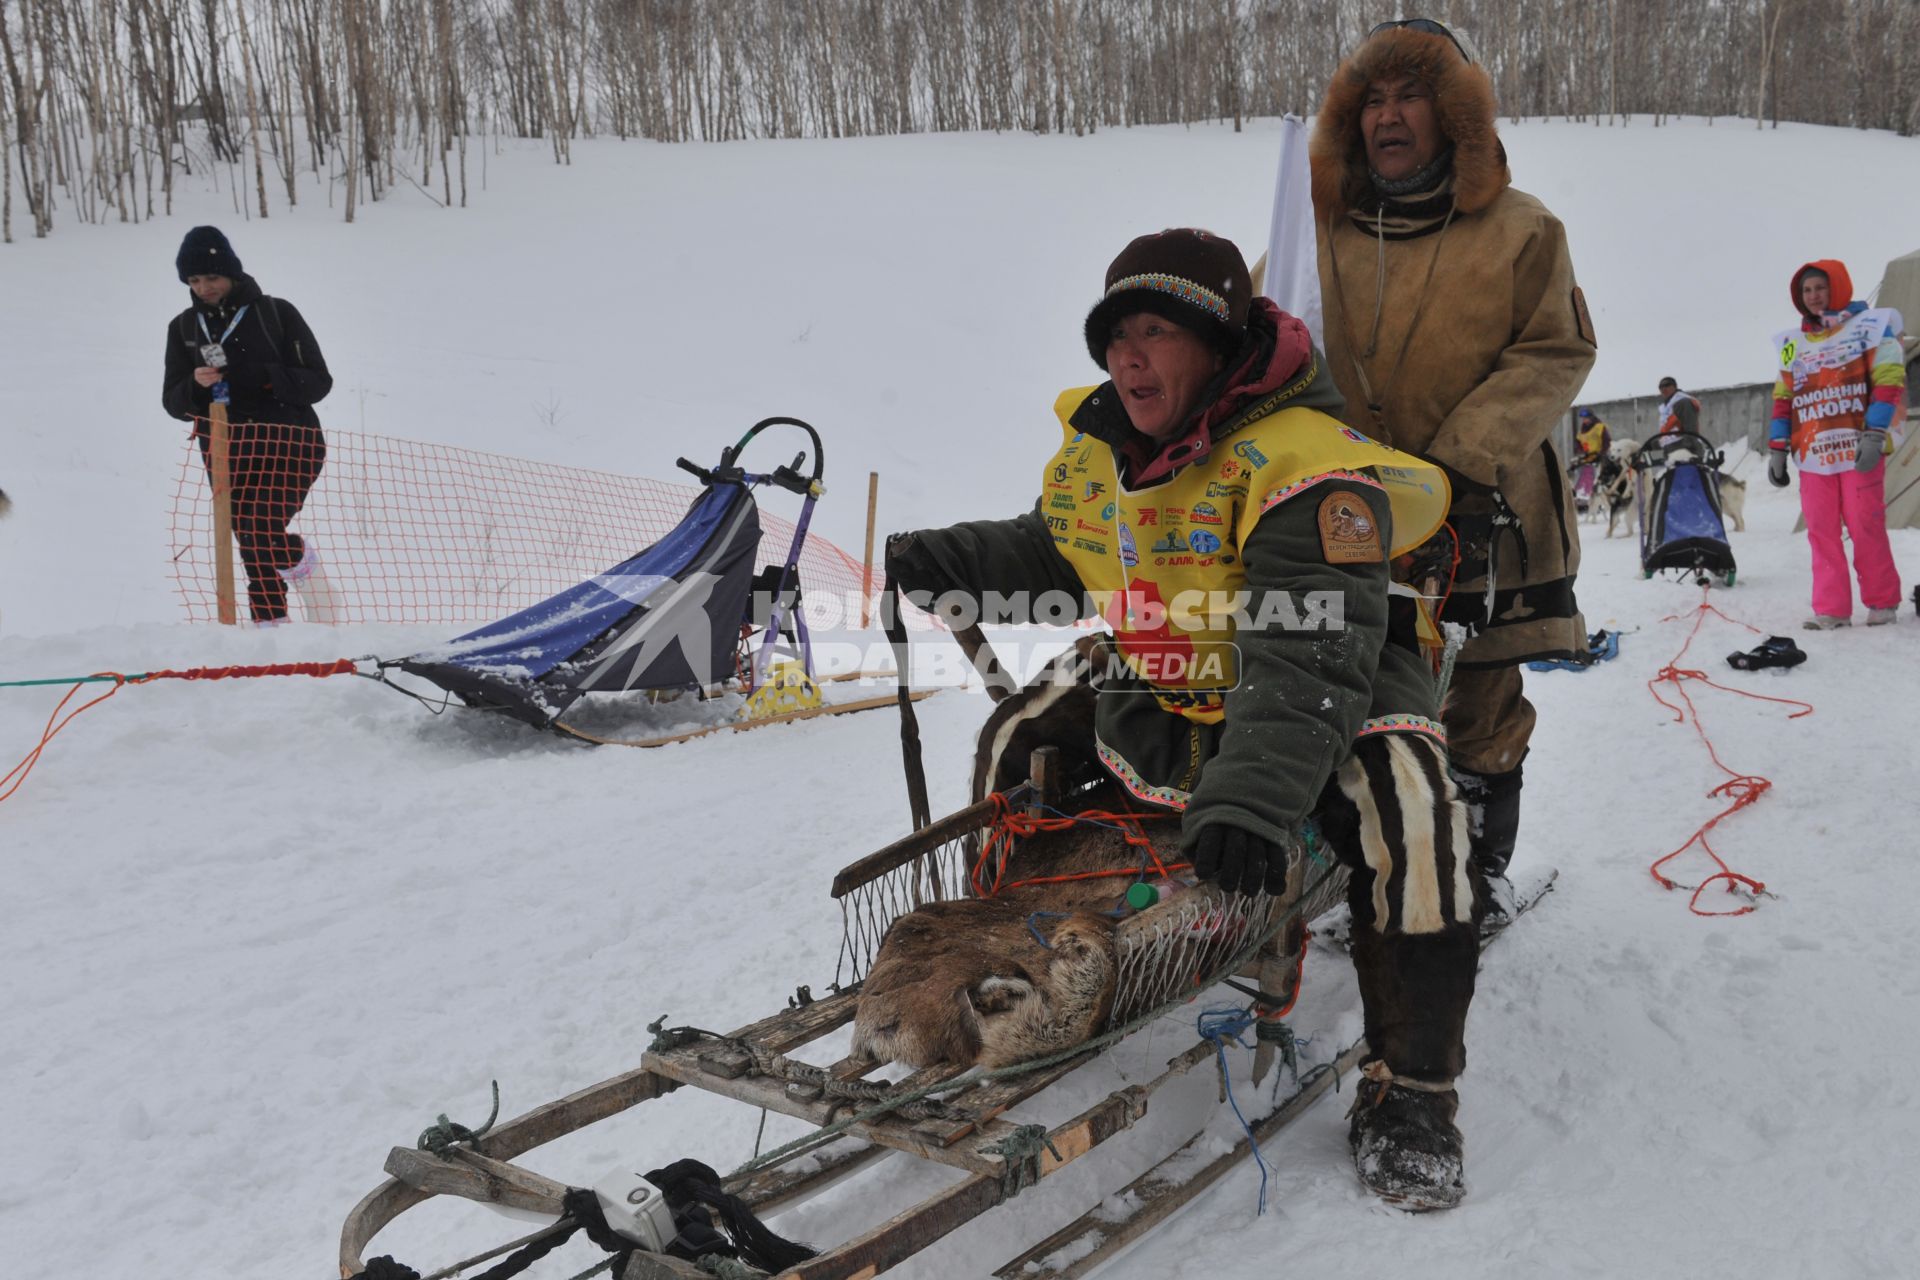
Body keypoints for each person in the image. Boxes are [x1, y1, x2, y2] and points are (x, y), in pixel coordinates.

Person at [886, 228, 1486, 1210]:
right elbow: (1059, 552)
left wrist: (1254, 796)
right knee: (1015, 738)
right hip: (1165, 678)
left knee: (1415, 816)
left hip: (1330, 685)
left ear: (1219, 342)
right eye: (1115, 334)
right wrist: (951, 558)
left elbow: (1309, 652)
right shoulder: (1104, 449)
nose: (1128, 354)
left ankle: (1411, 1089)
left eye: (1156, 330)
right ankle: (1007, 972)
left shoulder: (1307, 467)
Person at [1310, 19, 1596, 907]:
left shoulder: (1521, 229)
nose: (1389, 118)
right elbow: (1259, 340)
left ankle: (1476, 873)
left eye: (1413, 97)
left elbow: (1555, 351)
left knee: (1475, 691)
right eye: (1374, 101)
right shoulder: (1321, 235)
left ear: (1456, 118)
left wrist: (1458, 465)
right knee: (1350, 686)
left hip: (1485, 505)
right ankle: (1370, 859)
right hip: (1344, 514)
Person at [161, 226, 332, 625]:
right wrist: (195, 386)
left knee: (257, 524)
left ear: (232, 274)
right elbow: (173, 402)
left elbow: (318, 382)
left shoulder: (277, 313)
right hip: (225, 449)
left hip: (290, 443)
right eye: (194, 280)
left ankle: (287, 592)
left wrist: (255, 375)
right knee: (249, 533)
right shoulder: (184, 328)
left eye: (212, 277)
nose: (204, 287)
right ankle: (272, 622)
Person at [1767, 259, 1907, 629]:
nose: (1814, 296)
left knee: (1865, 524)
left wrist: (1875, 433)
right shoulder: (1792, 344)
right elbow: (1783, 397)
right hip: (1813, 453)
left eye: (1820, 288)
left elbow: (1890, 379)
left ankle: (1882, 601)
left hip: (1859, 445)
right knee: (1821, 529)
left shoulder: (1872, 328)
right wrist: (1778, 447)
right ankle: (1831, 608)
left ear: (1838, 287)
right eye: (1806, 291)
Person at [1571, 408, 1612, 513]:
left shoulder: (1599, 427)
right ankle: (1580, 497)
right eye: (1583, 418)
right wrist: (1580, 451)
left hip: (1599, 455)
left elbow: (1607, 441)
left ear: (1591, 417)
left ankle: (1587, 498)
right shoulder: (1582, 430)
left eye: (1586, 418)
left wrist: (1601, 453)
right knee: (1578, 471)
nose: (1584, 420)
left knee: (1590, 473)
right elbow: (1578, 442)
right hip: (1588, 456)